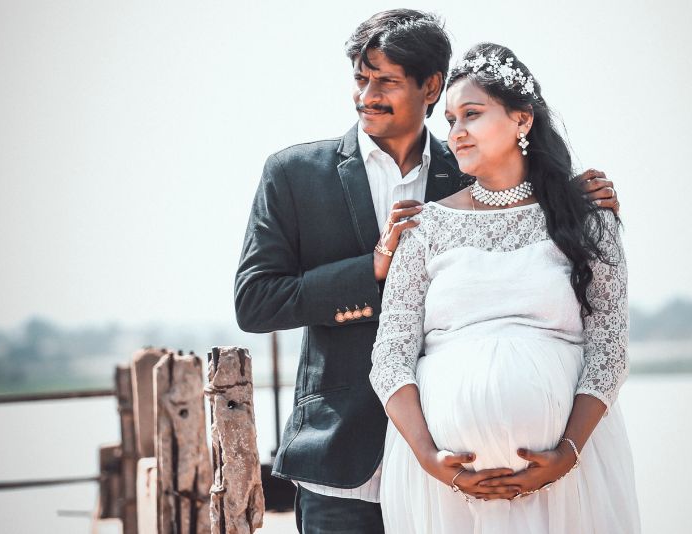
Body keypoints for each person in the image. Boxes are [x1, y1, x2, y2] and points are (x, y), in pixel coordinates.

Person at [235, 10, 620, 533]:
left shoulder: (468, 168)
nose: (367, 95)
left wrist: (573, 200)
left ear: (431, 86)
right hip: (341, 458)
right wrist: (372, 269)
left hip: (462, 472)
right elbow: (255, 302)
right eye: (360, 79)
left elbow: (519, 214)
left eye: (386, 81)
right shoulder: (294, 174)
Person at [370, 42, 640, 533]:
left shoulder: (588, 220)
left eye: (471, 114)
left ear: (522, 119)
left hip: (570, 478)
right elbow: (390, 355)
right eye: (450, 120)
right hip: (442, 488)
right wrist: (429, 458)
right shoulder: (424, 228)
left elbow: (609, 348)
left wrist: (568, 452)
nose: (456, 132)